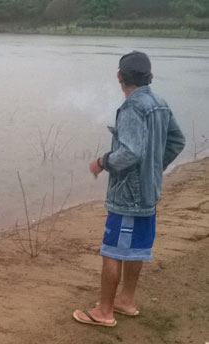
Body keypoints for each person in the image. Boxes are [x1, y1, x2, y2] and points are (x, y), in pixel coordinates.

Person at [73, 51, 186, 327]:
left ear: (120, 77)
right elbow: (177, 141)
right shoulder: (160, 103)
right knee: (135, 249)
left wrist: (102, 162)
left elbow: (130, 153)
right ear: (150, 77)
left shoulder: (133, 108)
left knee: (112, 250)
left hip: (129, 196)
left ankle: (105, 312)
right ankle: (126, 301)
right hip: (148, 192)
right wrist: (155, 169)